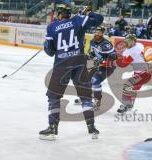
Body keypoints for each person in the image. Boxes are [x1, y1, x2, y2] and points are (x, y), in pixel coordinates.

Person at [39, 4, 104, 140]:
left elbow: (50, 51)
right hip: (79, 63)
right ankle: (92, 128)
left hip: (61, 65)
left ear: (59, 14)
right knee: (86, 97)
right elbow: (99, 19)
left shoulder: (52, 27)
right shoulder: (77, 20)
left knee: (54, 97)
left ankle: (52, 129)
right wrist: (89, 13)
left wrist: (48, 43)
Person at [74, 26, 117, 108]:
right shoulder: (92, 41)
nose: (97, 33)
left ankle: (97, 102)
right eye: (96, 32)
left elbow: (114, 58)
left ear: (102, 33)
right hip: (100, 65)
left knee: (95, 81)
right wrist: (87, 57)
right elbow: (93, 53)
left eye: (99, 32)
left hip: (108, 67)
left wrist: (103, 62)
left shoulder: (106, 44)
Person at [116, 34, 152, 113]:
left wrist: (117, 56)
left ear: (133, 41)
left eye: (129, 41)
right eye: (126, 41)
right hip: (144, 73)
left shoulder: (130, 51)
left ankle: (126, 104)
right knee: (132, 88)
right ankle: (130, 104)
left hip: (142, 74)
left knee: (127, 86)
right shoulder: (139, 45)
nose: (126, 42)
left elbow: (122, 65)